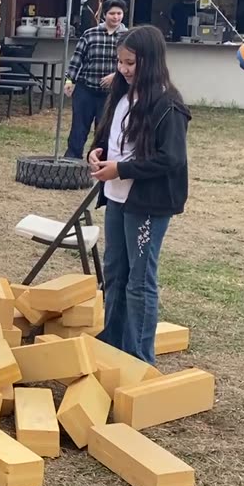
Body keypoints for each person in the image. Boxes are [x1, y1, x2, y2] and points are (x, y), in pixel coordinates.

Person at [87, 25, 191, 364]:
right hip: (117, 198)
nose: (123, 69)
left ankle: (139, 359)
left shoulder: (168, 103)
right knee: (115, 272)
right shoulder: (121, 95)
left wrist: (121, 169)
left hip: (147, 202)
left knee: (139, 280)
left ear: (150, 60)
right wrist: (97, 152)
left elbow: (171, 159)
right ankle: (112, 344)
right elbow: (110, 138)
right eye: (119, 62)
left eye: (130, 63)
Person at [63, 0, 127, 159]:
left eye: (119, 13)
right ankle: (72, 159)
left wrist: (116, 75)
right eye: (112, 13)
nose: (116, 17)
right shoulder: (90, 34)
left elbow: (134, 62)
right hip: (86, 89)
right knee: (79, 127)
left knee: (104, 130)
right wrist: (69, 80)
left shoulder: (128, 37)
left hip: (111, 93)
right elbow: (77, 59)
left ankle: (100, 161)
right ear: (104, 14)